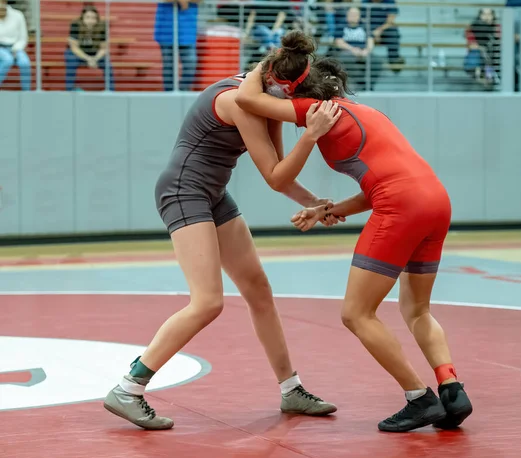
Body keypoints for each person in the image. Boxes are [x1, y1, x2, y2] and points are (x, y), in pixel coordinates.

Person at [103, 31, 343, 430]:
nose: (295, 110)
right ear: (280, 85)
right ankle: (128, 388)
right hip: (184, 191)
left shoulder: (262, 95)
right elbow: (272, 175)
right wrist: (313, 136)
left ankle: (291, 389)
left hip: (211, 193)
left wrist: (314, 203)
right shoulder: (239, 102)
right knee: (208, 301)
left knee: (257, 288)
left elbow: (282, 175)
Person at [235, 40, 473, 433]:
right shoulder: (365, 111)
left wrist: (272, 62)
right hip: (435, 201)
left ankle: (420, 398)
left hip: (401, 207)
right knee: (417, 310)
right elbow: (381, 182)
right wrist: (326, 210)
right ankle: (450, 387)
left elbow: (247, 100)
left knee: (356, 313)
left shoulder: (313, 111)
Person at [65, 5, 114, 91]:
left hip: (95, 54)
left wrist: (95, 58)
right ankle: (70, 89)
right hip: (78, 53)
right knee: (71, 59)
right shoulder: (75, 25)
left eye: (93, 18)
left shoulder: (102, 27)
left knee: (107, 63)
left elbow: (104, 48)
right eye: (87, 17)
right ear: (82, 18)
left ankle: (110, 90)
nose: (90, 20)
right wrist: (88, 59)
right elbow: (74, 48)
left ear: (97, 19)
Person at [0, 0, 30, 91]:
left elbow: (23, 38)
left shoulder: (18, 15)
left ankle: (26, 91)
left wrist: (15, 49)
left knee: (25, 63)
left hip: (16, 47)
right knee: (7, 60)